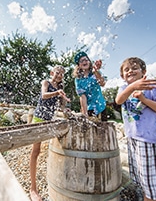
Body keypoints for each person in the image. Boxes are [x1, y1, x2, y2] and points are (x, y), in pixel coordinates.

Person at [115, 57, 156, 201]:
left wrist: (144, 100)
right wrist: (133, 87)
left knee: (153, 184)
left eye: (135, 68)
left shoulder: (151, 87)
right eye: (126, 70)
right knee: (142, 180)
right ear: (122, 76)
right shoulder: (124, 89)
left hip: (148, 141)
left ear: (144, 72)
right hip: (133, 139)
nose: (130, 71)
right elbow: (119, 100)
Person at [29, 65, 70, 201]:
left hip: (49, 121)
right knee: (36, 151)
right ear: (52, 73)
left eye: (61, 74)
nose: (59, 75)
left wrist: (66, 108)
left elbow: (61, 107)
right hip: (38, 119)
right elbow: (44, 95)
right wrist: (57, 93)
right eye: (57, 73)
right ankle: (33, 188)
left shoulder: (60, 89)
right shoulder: (45, 83)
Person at [73, 51, 107, 121]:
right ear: (79, 65)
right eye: (81, 61)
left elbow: (102, 83)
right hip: (89, 108)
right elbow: (82, 96)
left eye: (86, 60)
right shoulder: (78, 80)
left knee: (104, 129)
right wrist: (85, 113)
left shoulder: (94, 73)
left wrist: (96, 71)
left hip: (101, 106)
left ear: (89, 62)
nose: (84, 61)